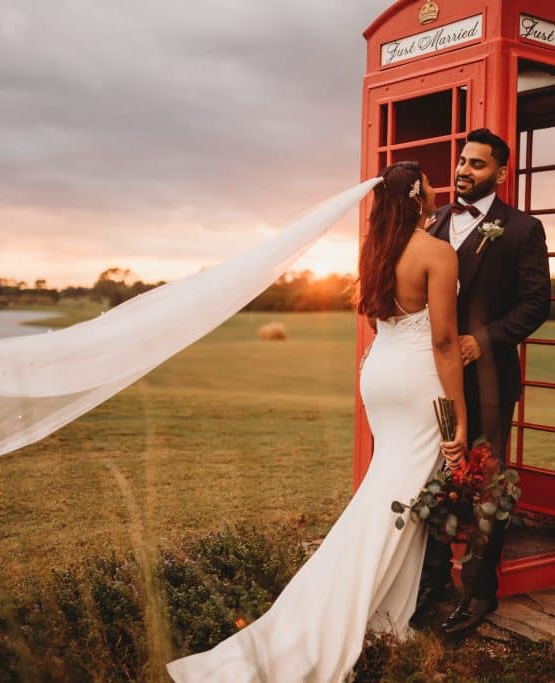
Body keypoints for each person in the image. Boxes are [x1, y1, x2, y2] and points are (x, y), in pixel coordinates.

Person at [166, 161, 468, 682]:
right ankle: (334, 614)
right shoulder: (437, 253)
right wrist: (457, 415)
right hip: (419, 381)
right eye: (431, 183)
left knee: (394, 493)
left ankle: (385, 617)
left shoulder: (376, 251)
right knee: (398, 497)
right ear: (419, 194)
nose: (439, 186)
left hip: (380, 374)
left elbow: (380, 320)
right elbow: (443, 342)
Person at [416, 128, 551, 635]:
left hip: (490, 381)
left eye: (476, 164)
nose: (463, 171)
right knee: (431, 476)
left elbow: (537, 305)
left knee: (487, 485)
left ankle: (478, 593)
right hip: (430, 380)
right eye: (461, 161)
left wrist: (484, 339)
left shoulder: (521, 229)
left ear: (499, 172)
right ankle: (430, 580)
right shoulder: (432, 223)